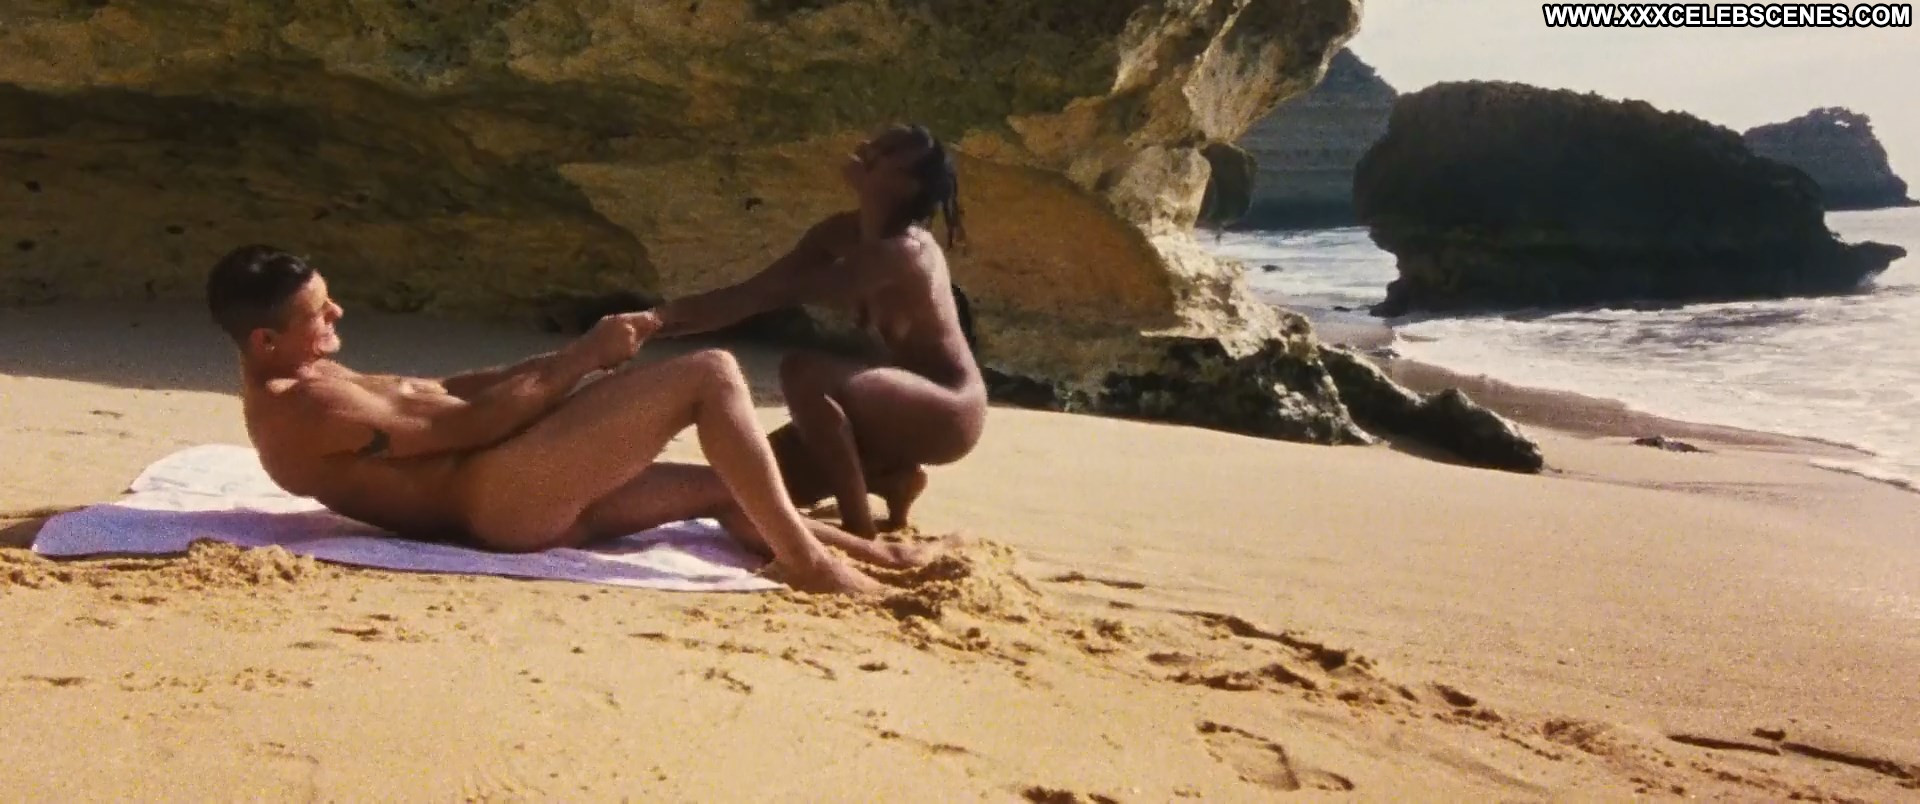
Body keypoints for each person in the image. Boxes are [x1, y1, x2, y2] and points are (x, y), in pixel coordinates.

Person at [205, 244, 936, 595]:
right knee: (710, 374)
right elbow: (468, 427)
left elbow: (446, 390)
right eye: (318, 312)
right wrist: (585, 357)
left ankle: (873, 557)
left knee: (726, 483)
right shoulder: (302, 408)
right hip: (501, 498)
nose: (336, 312)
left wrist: (569, 359)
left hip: (518, 481)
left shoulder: (311, 371)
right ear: (265, 341)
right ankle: (809, 566)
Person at [648, 124, 987, 538]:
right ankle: (892, 478)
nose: (867, 149)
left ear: (907, 186)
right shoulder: (840, 232)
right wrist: (651, 323)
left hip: (948, 412)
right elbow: (755, 290)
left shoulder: (903, 253)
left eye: (887, 152)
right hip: (889, 405)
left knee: (803, 372)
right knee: (750, 477)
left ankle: (858, 526)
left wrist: (656, 322)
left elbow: (773, 296)